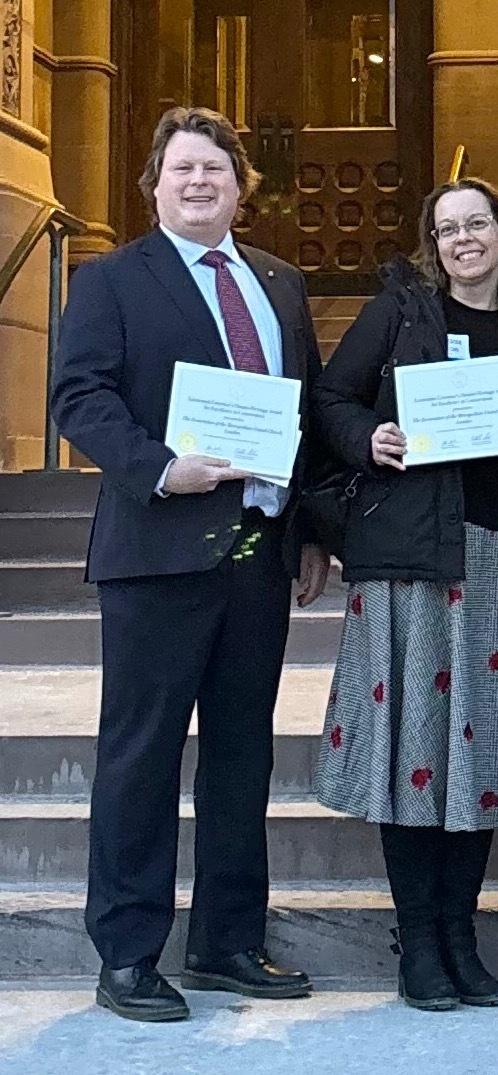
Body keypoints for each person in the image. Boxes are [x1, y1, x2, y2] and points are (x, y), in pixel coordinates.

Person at [50, 106, 330, 1022]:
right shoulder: (110, 280)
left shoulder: (281, 284)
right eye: (183, 170)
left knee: (242, 756)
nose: (200, 182)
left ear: (241, 185)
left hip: (258, 551)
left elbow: (307, 412)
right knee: (142, 756)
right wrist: (161, 468)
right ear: (155, 186)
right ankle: (128, 952)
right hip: (158, 549)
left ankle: (227, 941)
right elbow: (79, 397)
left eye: (216, 168)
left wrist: (314, 528)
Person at [312, 177, 498, 1012]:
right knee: (412, 752)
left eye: (478, 224)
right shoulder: (399, 312)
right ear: (434, 243)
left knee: (486, 754)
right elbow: (329, 399)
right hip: (405, 562)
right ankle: (418, 940)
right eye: (446, 228)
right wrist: (371, 438)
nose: (463, 239)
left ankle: (461, 937)